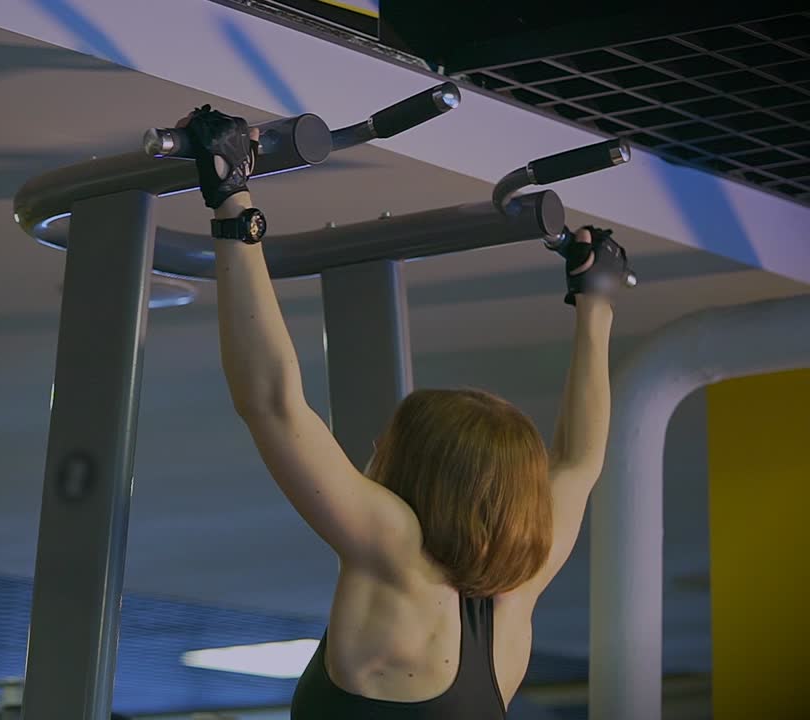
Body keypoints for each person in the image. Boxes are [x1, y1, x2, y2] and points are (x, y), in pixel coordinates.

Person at [176, 107, 629, 718]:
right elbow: (579, 461)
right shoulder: (519, 587)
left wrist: (234, 204)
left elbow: (274, 405)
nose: (370, 455)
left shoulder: (397, 557)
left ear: (413, 469)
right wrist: (595, 307)